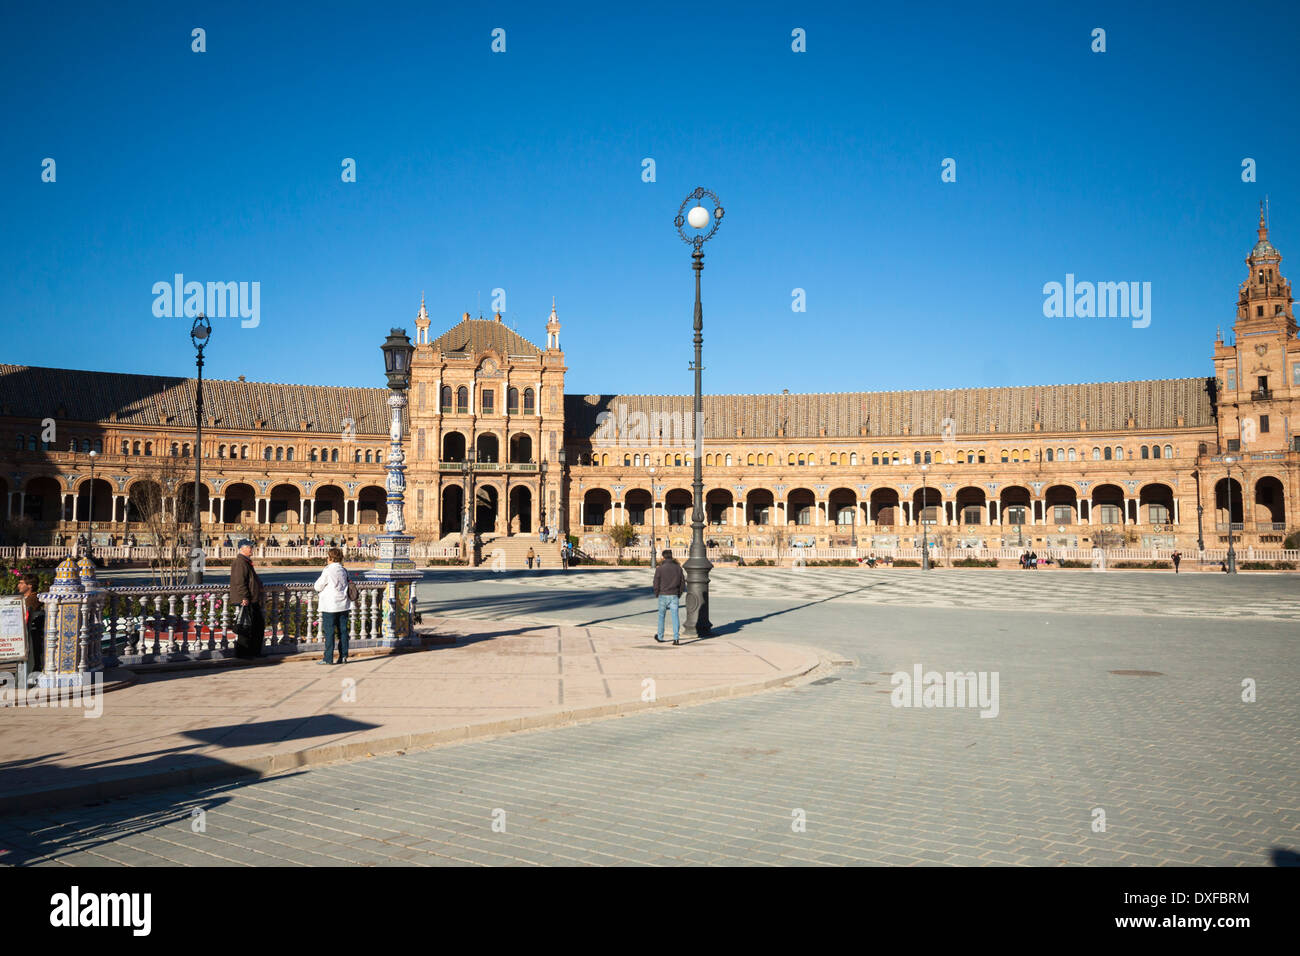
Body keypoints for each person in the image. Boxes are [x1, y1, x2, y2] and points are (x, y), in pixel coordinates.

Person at [313, 547, 352, 664]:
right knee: (343, 632)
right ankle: (343, 656)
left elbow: (318, 586)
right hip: (343, 604)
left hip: (330, 605)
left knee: (330, 632)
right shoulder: (343, 570)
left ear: (330, 558)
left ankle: (328, 658)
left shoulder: (328, 570)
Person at [230, 538, 265, 658]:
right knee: (247, 627)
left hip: (252, 599)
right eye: (249, 547)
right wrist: (244, 596)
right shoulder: (240, 562)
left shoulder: (245, 561)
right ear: (242, 548)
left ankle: (253, 652)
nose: (252, 549)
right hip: (248, 600)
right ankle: (244, 653)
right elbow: (239, 582)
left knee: (255, 627)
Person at [652, 549, 685, 645]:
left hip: (663, 594)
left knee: (661, 617)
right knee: (675, 616)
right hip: (674, 594)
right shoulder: (678, 568)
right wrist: (679, 593)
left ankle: (660, 636)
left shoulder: (660, 569)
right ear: (671, 556)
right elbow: (682, 582)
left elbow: (656, 582)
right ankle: (676, 638)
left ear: (663, 557)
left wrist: (656, 592)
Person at [17, 573, 44, 680]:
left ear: (30, 586)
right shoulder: (26, 598)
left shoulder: (32, 600)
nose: (18, 585)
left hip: (31, 634)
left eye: (21, 583)